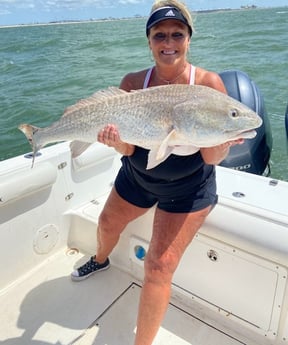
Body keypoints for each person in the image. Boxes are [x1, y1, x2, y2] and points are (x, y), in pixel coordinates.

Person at [71, 1, 243, 344]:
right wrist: (117, 143)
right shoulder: (133, 83)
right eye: (159, 35)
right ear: (149, 41)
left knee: (159, 265)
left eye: (177, 34)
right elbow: (131, 148)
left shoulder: (209, 84)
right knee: (106, 225)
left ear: (188, 39)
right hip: (138, 176)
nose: (169, 42)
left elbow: (209, 159)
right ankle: (100, 260)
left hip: (188, 187)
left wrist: (223, 143)